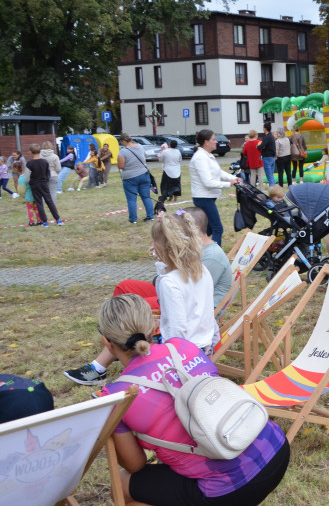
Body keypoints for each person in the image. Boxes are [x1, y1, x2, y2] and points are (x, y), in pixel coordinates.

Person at [95, 294, 289, 506]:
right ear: (154, 326)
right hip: (276, 449)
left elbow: (135, 465)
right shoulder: (182, 347)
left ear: (106, 341)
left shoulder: (117, 395)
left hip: (236, 487)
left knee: (124, 489)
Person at [65, 209, 222, 385]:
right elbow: (207, 312)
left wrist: (173, 364)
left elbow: (177, 331)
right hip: (204, 345)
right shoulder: (201, 270)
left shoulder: (168, 282)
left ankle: (124, 376)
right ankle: (105, 368)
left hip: (182, 355)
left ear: (160, 248)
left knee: (132, 333)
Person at [191, 129, 241, 246]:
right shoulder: (200, 158)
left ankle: (197, 250)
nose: (216, 142)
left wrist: (234, 178)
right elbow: (208, 182)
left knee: (207, 230)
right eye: (213, 139)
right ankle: (214, 256)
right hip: (203, 198)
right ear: (206, 142)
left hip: (208, 196)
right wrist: (229, 184)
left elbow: (219, 173)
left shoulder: (207, 156)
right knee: (217, 229)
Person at [117, 133, 155, 224]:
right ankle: (151, 216)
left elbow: (121, 166)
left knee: (131, 199)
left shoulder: (123, 151)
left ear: (123, 141)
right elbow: (144, 157)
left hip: (130, 177)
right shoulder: (140, 146)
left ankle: (133, 219)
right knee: (146, 197)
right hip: (144, 174)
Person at [26, 144, 63, 226]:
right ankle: (58, 219)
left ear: (30, 152)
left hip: (35, 185)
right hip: (44, 183)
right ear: (40, 151)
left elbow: (27, 177)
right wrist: (45, 180)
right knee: (49, 201)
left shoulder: (29, 164)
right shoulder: (44, 162)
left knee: (39, 202)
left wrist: (30, 183)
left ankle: (45, 221)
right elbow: (48, 173)